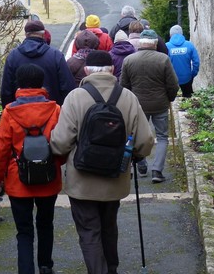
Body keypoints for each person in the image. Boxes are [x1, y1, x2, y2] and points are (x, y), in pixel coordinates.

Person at [50, 50, 154, 274]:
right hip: (115, 179)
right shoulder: (128, 97)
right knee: (109, 227)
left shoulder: (75, 97)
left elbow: (60, 143)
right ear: (112, 70)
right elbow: (145, 141)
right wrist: (135, 154)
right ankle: (111, 269)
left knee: (89, 232)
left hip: (82, 182)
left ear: (86, 70)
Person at [0, 64, 63, 274]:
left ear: (19, 84)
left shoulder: (10, 112)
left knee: (24, 231)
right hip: (48, 177)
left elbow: (1, 149)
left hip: (18, 180)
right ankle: (45, 266)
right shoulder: (55, 110)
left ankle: (26, 270)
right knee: (46, 224)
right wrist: (56, 163)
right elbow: (63, 143)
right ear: (42, 83)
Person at [120, 30, 179, 184]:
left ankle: (141, 164)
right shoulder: (163, 59)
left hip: (138, 105)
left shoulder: (129, 60)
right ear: (155, 43)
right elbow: (173, 84)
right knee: (162, 137)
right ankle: (157, 171)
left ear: (141, 43)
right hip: (160, 103)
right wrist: (170, 98)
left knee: (137, 135)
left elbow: (123, 85)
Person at [1, 19, 76, 107]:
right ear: (43, 34)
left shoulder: (13, 56)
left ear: (26, 35)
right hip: (51, 111)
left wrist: (9, 110)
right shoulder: (56, 55)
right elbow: (68, 87)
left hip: (20, 111)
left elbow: (6, 91)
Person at [166, 24, 200, 98]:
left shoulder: (166, 46)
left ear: (170, 35)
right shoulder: (189, 45)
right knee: (188, 98)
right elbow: (196, 62)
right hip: (187, 78)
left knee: (171, 98)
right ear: (182, 34)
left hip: (172, 78)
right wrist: (193, 74)